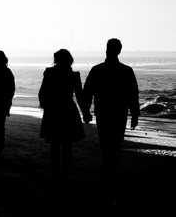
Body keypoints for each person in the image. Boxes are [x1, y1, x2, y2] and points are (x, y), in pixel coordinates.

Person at [82, 38, 139, 200]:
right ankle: (112, 173)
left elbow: (87, 92)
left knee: (106, 143)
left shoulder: (97, 70)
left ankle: (109, 173)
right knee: (116, 143)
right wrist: (135, 114)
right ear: (119, 51)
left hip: (103, 112)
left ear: (107, 49)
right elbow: (133, 95)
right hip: (119, 112)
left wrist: (86, 111)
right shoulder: (126, 71)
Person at [38, 49, 88, 180]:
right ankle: (65, 174)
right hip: (68, 110)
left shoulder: (49, 72)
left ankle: (56, 173)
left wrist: (45, 106)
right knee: (67, 145)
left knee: (54, 145)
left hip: (53, 110)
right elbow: (79, 96)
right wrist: (85, 112)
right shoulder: (74, 75)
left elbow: (42, 92)